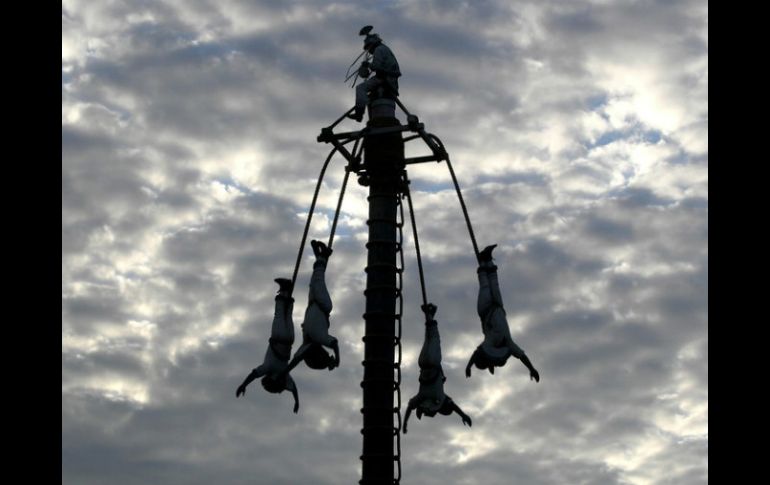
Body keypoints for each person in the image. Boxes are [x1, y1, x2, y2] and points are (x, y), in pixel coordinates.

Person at [465, 244, 540, 383]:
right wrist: (531, 368)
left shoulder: (490, 342)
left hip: (486, 309)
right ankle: (488, 259)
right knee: (494, 283)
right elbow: (522, 356)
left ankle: (483, 261)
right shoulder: (508, 343)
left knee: (485, 285)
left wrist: (469, 366)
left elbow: (477, 352)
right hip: (498, 307)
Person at [403, 303, 472, 434]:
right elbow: (410, 407)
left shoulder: (441, 398)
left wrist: (463, 415)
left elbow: (453, 406)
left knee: (434, 337)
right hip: (422, 363)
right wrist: (405, 423)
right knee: (428, 338)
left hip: (433, 362)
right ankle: (429, 315)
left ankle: (430, 314)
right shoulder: (422, 396)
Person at [235, 277, 300, 413]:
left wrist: (296, 402)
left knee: (288, 314)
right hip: (278, 337)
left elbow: (293, 388)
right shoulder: (268, 368)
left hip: (289, 339)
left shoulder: (283, 375)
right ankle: (284, 290)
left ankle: (286, 290)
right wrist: (243, 384)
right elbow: (254, 374)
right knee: (279, 313)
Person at [283, 240, 341, 373]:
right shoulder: (319, 337)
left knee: (315, 279)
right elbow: (334, 343)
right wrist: (337, 359)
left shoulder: (306, 343)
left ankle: (322, 256)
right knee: (317, 279)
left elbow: (296, 359)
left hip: (313, 303)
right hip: (322, 304)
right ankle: (322, 256)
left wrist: (284, 373)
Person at [349, 27, 401, 122]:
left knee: (360, 88)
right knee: (369, 93)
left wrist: (367, 65)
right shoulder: (385, 49)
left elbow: (376, 66)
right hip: (390, 80)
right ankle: (363, 111)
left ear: (371, 45)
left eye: (368, 48)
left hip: (385, 79)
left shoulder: (379, 50)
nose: (369, 51)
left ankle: (359, 114)